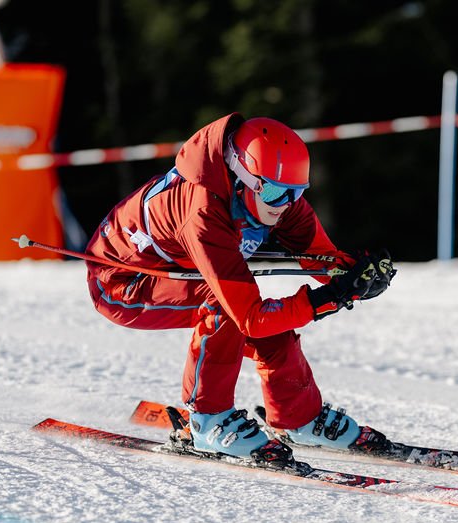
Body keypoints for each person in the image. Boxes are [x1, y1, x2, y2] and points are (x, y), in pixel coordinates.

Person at [84, 113, 395, 467]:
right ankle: (208, 420)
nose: (286, 204)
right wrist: (329, 298)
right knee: (228, 308)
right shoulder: (203, 212)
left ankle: (298, 417)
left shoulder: (276, 196)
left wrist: (358, 274)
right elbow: (250, 318)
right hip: (121, 283)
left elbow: (321, 259)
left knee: (273, 321)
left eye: (297, 192)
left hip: (182, 268)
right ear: (242, 177)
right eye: (277, 193)